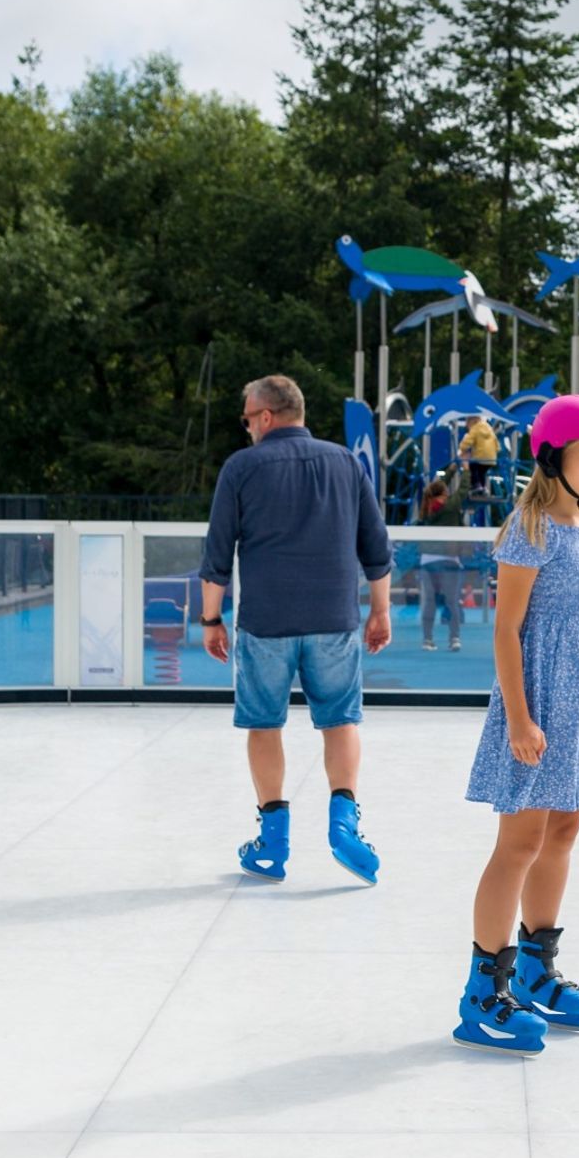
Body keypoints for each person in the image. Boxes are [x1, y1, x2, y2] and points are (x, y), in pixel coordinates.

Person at [457, 394, 579, 1055]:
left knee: (563, 831)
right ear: (553, 458)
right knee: (520, 841)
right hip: (536, 700)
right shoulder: (529, 529)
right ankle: (483, 991)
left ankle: (537, 968)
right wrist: (519, 719)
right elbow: (506, 630)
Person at [200, 375, 394, 885]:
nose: (246, 427)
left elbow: (217, 555)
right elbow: (376, 549)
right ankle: (345, 826)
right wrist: (380, 611)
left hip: (266, 623)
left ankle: (273, 841)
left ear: (265, 416)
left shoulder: (242, 468)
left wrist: (211, 619)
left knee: (265, 723)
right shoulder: (345, 463)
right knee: (340, 721)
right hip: (333, 620)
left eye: (247, 418)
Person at [417, 468, 468, 651]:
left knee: (429, 601)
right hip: (449, 560)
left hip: (427, 561)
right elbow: (463, 490)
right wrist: (466, 469)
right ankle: (454, 638)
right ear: (444, 494)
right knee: (452, 601)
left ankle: (427, 639)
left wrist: (451, 471)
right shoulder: (451, 507)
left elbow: (435, 488)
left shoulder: (425, 508)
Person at [458, 415, 502, 524]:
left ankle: (477, 486)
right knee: (482, 472)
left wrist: (462, 448)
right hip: (491, 458)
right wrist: (495, 452)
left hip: (480, 457)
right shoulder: (489, 428)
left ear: (471, 421)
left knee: (473, 468)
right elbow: (497, 445)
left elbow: (468, 441)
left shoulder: (475, 429)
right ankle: (483, 488)